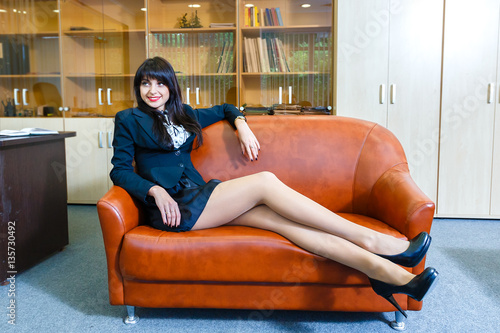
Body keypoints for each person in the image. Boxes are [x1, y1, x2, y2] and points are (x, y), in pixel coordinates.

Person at [110, 57, 438, 318]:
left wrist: (241, 126)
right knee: (265, 182)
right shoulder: (128, 119)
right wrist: (154, 190)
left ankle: (393, 276)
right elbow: (120, 171)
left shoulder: (185, 115)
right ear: (138, 87)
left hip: (202, 197)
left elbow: (226, 108)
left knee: (289, 226)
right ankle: (375, 241)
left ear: (171, 87)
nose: (152, 89)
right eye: (145, 83)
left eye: (159, 83)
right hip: (175, 207)